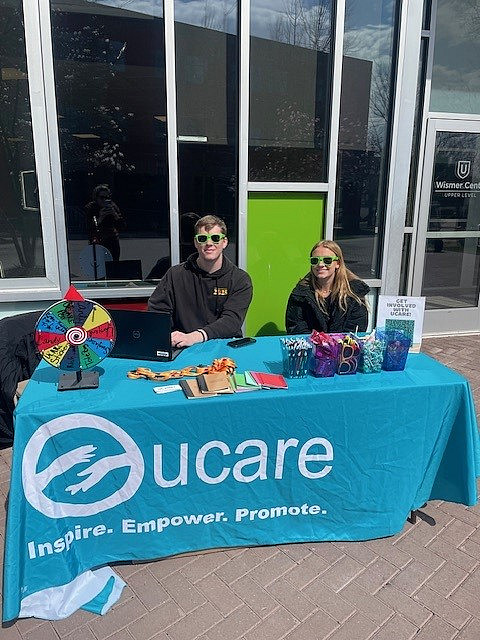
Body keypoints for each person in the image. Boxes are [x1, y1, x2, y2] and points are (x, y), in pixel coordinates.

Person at [148, 214, 253, 348]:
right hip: (182, 348)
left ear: (224, 242)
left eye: (215, 238)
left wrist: (195, 336)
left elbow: (231, 321)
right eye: (203, 238)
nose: (209, 243)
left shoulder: (240, 279)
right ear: (196, 242)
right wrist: (170, 336)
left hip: (225, 349)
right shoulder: (175, 275)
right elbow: (157, 312)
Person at [285, 240, 369, 334]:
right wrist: (318, 344)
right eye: (315, 260)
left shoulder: (353, 293)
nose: (320, 265)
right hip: (310, 346)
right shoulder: (300, 294)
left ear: (338, 263)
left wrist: (333, 345)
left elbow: (356, 329)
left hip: (343, 347)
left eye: (327, 260)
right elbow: (296, 327)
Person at [84, 184, 126, 261]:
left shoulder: (113, 206)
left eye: (107, 197)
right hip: (98, 241)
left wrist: (115, 215)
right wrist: (100, 217)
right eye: (102, 197)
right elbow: (89, 227)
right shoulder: (91, 208)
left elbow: (122, 226)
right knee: (99, 267)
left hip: (112, 240)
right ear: (96, 198)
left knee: (113, 265)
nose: (104, 200)